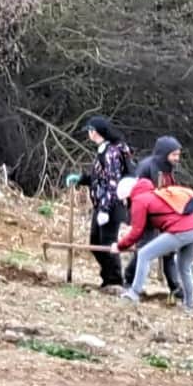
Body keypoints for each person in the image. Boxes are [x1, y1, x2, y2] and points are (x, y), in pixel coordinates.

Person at [114, 144, 193, 312]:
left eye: (124, 201)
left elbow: (136, 232)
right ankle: (190, 306)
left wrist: (119, 246)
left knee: (144, 254)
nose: (125, 205)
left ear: (127, 196)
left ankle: (134, 293)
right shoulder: (156, 193)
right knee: (183, 267)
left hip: (180, 230)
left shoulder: (140, 200)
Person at [65, 116, 135, 291]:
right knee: (95, 241)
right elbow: (99, 179)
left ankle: (115, 281)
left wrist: (105, 209)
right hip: (101, 204)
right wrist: (82, 179)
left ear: (94, 132)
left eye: (89, 131)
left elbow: (112, 183)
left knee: (107, 243)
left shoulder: (111, 153)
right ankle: (108, 277)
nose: (88, 134)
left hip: (112, 206)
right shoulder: (102, 150)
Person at [125, 136, 185, 296]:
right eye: (174, 155)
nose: (177, 159)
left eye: (178, 155)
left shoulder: (168, 169)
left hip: (163, 216)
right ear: (165, 153)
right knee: (145, 247)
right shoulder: (147, 167)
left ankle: (175, 287)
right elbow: (135, 193)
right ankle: (129, 279)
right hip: (145, 214)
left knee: (170, 248)